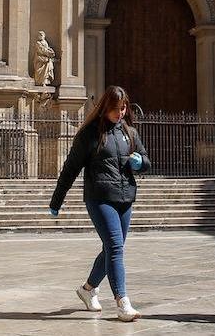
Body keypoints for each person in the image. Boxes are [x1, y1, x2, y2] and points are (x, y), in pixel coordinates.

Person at [49, 86, 151, 322]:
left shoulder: (130, 133)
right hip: (99, 197)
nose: (120, 112)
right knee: (115, 247)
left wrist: (140, 163)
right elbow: (71, 168)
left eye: (123, 107)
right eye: (116, 108)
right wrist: (57, 199)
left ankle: (87, 289)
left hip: (125, 198)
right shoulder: (90, 135)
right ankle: (123, 303)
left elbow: (146, 160)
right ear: (105, 107)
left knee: (111, 248)